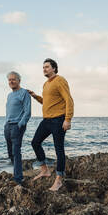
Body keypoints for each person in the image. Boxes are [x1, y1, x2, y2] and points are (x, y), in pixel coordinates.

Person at [28, 58, 74, 191]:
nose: (44, 69)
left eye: (47, 67)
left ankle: (59, 179)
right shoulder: (45, 84)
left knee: (59, 149)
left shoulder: (60, 80)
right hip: (47, 120)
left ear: (54, 68)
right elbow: (47, 102)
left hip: (59, 120)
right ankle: (45, 170)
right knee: (35, 142)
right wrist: (35, 96)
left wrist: (68, 119)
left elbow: (69, 100)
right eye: (43, 67)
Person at [4, 71, 31, 184]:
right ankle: (17, 172)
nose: (11, 81)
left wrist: (20, 124)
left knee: (16, 151)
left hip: (17, 125)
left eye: (13, 79)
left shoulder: (24, 93)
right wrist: (6, 124)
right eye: (9, 80)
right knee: (10, 152)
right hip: (8, 126)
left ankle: (18, 178)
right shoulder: (9, 95)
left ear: (19, 80)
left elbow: (27, 111)